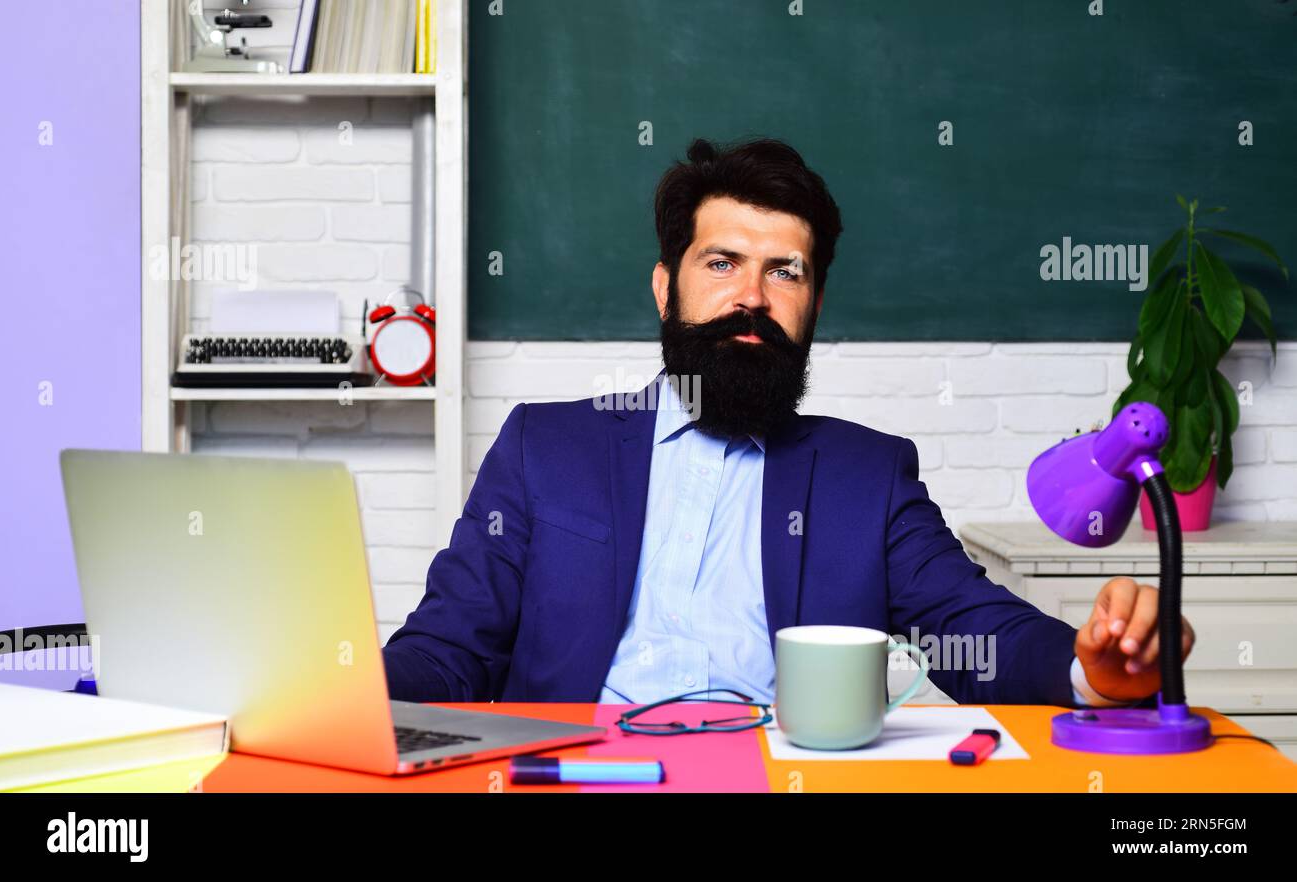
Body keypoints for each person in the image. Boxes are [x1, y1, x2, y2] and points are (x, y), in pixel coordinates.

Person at [383, 137, 1194, 706]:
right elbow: (452, 648)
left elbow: (973, 630)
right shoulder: (544, 447)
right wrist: (343, 692)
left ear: (813, 305)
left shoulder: (866, 477)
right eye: (722, 263)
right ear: (666, 288)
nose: (752, 298)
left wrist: (1093, 671)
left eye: (786, 273)